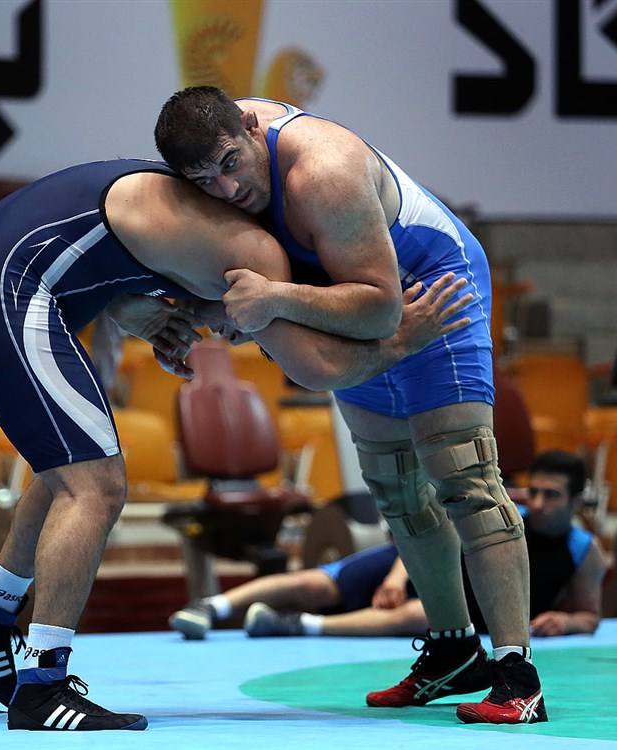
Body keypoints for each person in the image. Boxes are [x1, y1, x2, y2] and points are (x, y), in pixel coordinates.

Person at [0, 159, 471, 731]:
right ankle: (42, 686)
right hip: (0, 299)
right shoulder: (254, 253)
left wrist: (139, 312)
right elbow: (316, 370)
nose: (234, 339)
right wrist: (400, 342)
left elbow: (99, 252)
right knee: (94, 487)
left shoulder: (187, 215)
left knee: (69, 465)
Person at [155, 86, 545, 724]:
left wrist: (276, 297)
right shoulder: (205, 173)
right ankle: (454, 653)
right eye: (204, 181)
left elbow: (383, 309)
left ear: (251, 127)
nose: (226, 189)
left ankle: (517, 676)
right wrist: (170, 322)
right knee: (397, 491)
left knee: (467, 482)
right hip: (341, 301)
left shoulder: (323, 170)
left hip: (429, 292)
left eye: (230, 163)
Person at [170, 450, 604, 647]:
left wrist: (567, 622)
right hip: (412, 565)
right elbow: (433, 542)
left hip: (456, 606)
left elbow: (590, 616)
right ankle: (212, 606)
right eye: (534, 492)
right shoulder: (502, 519)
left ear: (577, 502)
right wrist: (398, 578)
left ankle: (292, 625)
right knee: (316, 585)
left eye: (552, 496)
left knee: (424, 614)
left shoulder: (585, 552)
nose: (538, 503)